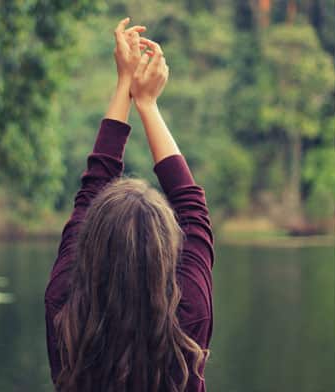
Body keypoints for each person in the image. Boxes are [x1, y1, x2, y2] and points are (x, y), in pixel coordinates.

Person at [44, 17, 215, 392]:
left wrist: (125, 84)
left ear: (91, 241)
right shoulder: (188, 316)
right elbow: (193, 208)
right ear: (168, 247)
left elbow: (92, 189)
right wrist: (147, 103)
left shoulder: (66, 313)